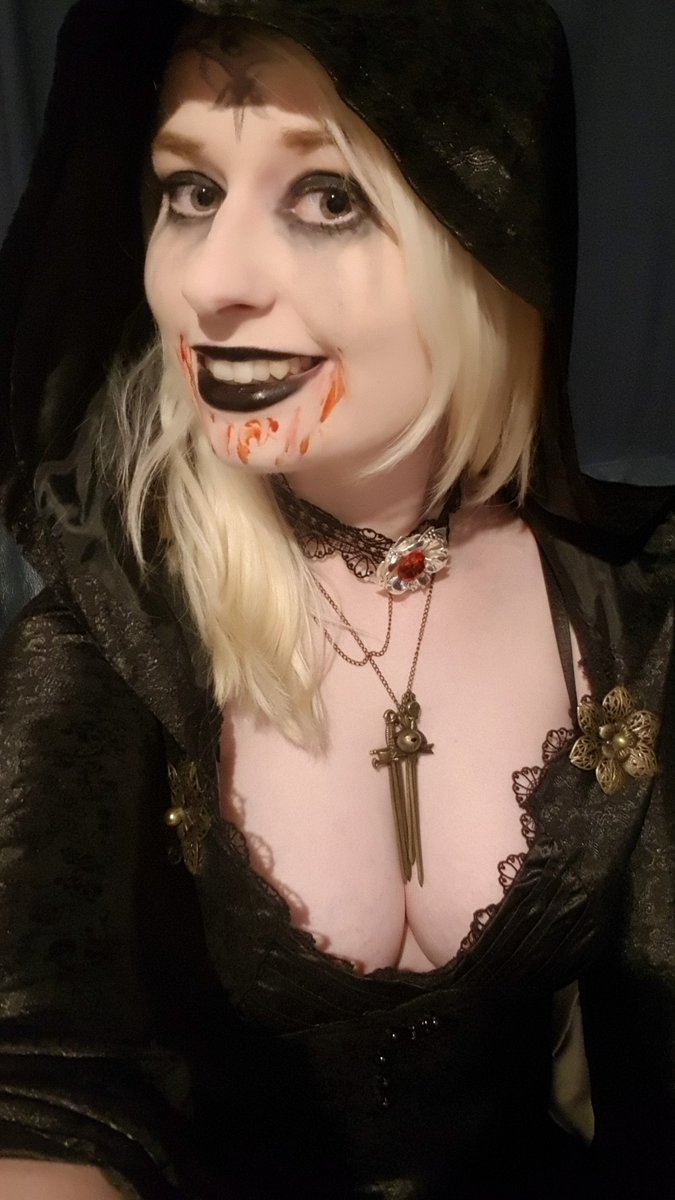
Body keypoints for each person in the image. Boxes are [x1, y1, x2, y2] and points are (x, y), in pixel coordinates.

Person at [0, 1, 673, 1198]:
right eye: (190, 191)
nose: (210, 282)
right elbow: (43, 1080)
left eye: (327, 198)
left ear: (487, 235)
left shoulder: (628, 613)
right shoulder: (113, 627)